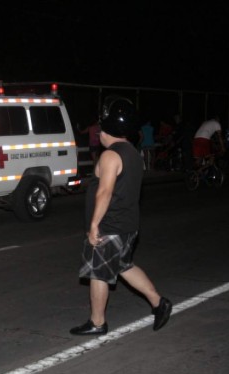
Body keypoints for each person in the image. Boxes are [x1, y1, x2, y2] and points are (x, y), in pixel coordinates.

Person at [69, 96, 172, 336]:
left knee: (98, 273)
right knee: (124, 266)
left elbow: (105, 192)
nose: (98, 131)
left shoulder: (110, 156)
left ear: (109, 126)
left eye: (101, 125)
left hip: (110, 226)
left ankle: (97, 322)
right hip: (128, 226)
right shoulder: (134, 154)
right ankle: (159, 303)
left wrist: (94, 225)